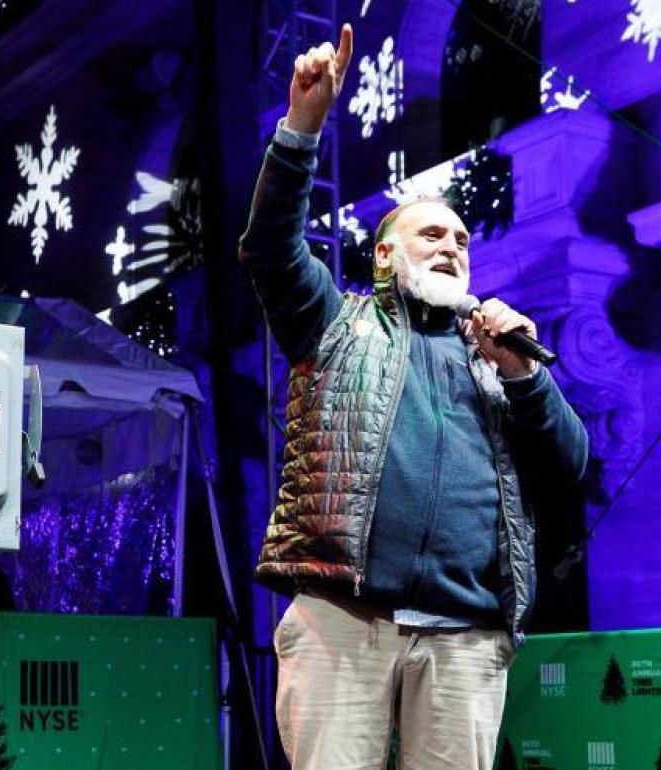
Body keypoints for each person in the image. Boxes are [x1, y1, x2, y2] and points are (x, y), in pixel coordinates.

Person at [240, 26, 589, 770]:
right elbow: (270, 247)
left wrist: (528, 377)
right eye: (432, 232)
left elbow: (570, 465)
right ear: (385, 253)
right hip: (344, 620)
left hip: (466, 635)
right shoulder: (335, 324)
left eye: (463, 239)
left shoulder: (497, 355)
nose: (453, 246)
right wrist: (302, 128)